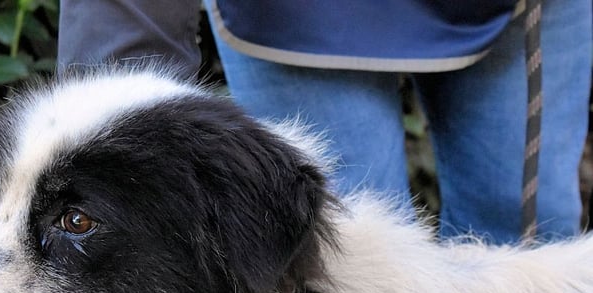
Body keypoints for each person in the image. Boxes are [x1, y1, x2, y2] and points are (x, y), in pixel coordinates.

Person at [57, 0, 592, 244]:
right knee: (355, 276)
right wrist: (107, 102)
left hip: (511, 8)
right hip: (298, 18)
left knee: (527, 253)